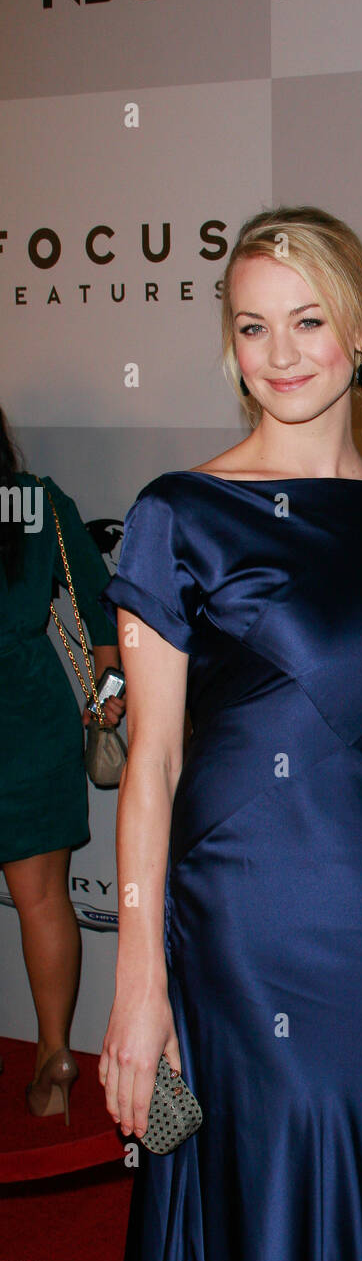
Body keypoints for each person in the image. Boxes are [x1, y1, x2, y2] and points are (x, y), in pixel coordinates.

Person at [98, 207, 362, 1261]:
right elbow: (150, 763)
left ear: (361, 333)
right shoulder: (180, 513)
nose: (281, 354)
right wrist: (137, 981)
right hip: (237, 914)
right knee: (257, 1169)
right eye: (252, 328)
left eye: (307, 321)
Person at [0, 408, 124, 1123]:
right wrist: (106, 704)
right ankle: (53, 1056)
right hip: (30, 724)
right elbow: (105, 622)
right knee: (44, 900)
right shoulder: (37, 500)